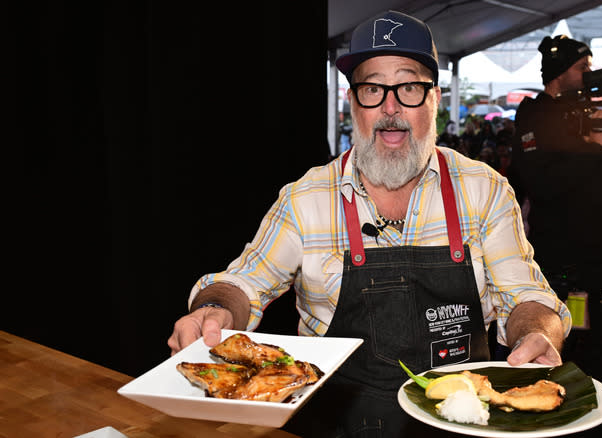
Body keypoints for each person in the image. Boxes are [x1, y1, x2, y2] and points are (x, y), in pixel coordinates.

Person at [167, 10, 570, 438]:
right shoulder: (305, 199)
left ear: (434, 98)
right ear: (353, 102)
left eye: (409, 86)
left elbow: (526, 297)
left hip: (463, 425)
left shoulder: (484, 190)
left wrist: (539, 332)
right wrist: (214, 311)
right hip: (338, 426)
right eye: (373, 88)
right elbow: (242, 284)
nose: (390, 108)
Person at [508, 34, 602, 388]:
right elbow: (544, 184)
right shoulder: (537, 116)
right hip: (570, 266)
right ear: (557, 74)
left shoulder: (589, 114)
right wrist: (595, 149)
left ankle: (595, 413)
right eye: (582, 67)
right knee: (572, 344)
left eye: (590, 67)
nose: (589, 74)